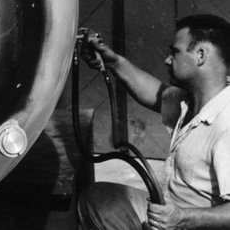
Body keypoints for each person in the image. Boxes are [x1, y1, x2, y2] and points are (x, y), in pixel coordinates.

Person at [78, 14, 230, 230]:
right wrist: (113, 61)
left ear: (201, 55)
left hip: (191, 223)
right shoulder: (194, 102)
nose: (167, 59)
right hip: (173, 213)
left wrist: (183, 218)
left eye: (175, 52)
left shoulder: (227, 122)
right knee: (100, 198)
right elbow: (157, 93)